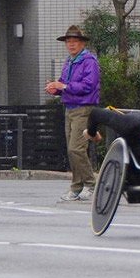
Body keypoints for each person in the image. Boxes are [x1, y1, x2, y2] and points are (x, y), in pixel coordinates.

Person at [45, 25, 100, 201]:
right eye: (68, 41)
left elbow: (89, 85)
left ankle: (90, 184)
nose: (71, 44)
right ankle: (77, 187)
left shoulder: (89, 61)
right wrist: (56, 88)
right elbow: (64, 83)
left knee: (76, 148)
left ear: (82, 43)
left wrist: (64, 87)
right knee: (72, 150)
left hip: (84, 108)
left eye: (74, 41)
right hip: (70, 107)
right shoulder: (70, 61)